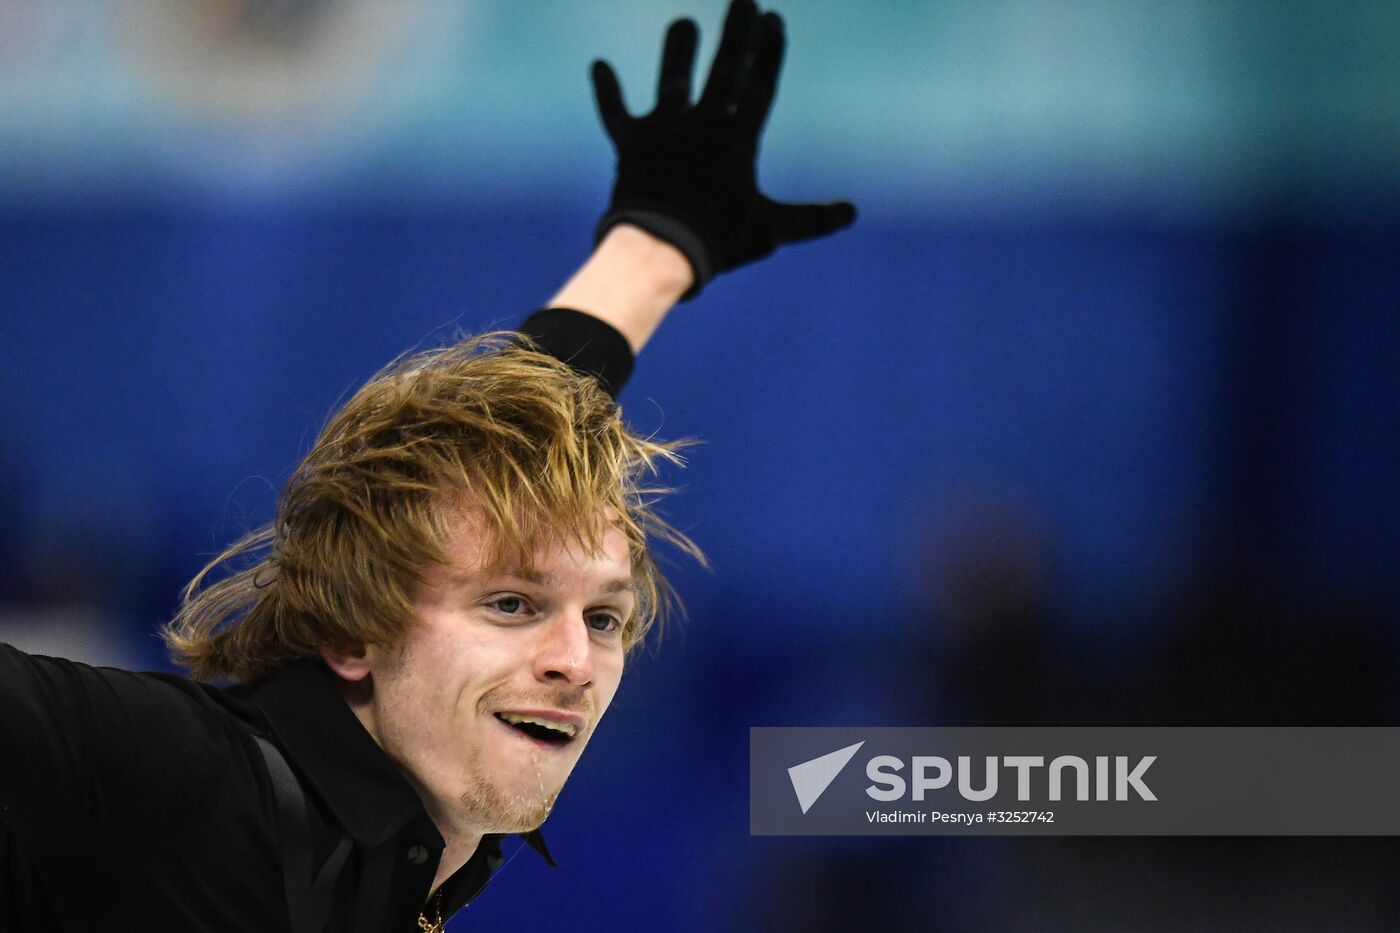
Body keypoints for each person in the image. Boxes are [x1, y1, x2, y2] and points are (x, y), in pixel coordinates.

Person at [0, 2, 854, 930]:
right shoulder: (186, 776)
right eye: (511, 605)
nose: (576, 662)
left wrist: (656, 246)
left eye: (604, 616)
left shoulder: (398, 848)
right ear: (353, 633)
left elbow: (509, 426)